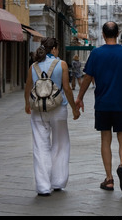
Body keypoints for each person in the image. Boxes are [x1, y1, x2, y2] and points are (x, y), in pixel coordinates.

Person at [75, 21, 122, 194]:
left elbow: (88, 77)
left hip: (103, 104)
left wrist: (80, 97)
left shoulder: (96, 53)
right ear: (118, 33)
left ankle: (109, 179)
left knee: (105, 140)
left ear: (103, 35)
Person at [24, 37, 80, 197]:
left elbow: (28, 87)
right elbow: (67, 89)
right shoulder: (61, 64)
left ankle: (42, 186)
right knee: (61, 144)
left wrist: (27, 104)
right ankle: (58, 182)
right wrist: (74, 108)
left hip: (38, 110)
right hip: (58, 109)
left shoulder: (33, 66)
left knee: (40, 146)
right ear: (54, 49)